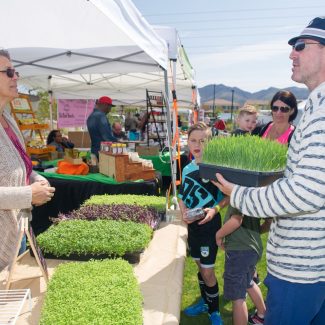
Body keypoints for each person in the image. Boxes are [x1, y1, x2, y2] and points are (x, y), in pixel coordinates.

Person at [214, 17, 325, 325]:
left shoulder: (322, 112)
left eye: (301, 46)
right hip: (309, 265)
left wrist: (239, 194)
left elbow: (308, 191)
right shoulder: (316, 109)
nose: (292, 54)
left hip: (301, 271)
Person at [0, 49, 55, 271]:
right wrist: (28, 194)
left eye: (16, 71)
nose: (16, 77)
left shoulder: (8, 119)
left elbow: (21, 166)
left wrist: (38, 179)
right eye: (9, 72)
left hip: (15, 233)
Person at [178, 122, 229, 325]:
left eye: (202, 140)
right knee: (200, 267)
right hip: (193, 226)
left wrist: (215, 209)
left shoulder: (215, 168)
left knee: (208, 271)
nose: (197, 144)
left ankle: (214, 312)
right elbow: (182, 194)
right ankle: (204, 302)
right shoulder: (187, 167)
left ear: (209, 142)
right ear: (188, 143)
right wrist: (183, 212)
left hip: (210, 225)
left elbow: (229, 197)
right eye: (193, 140)